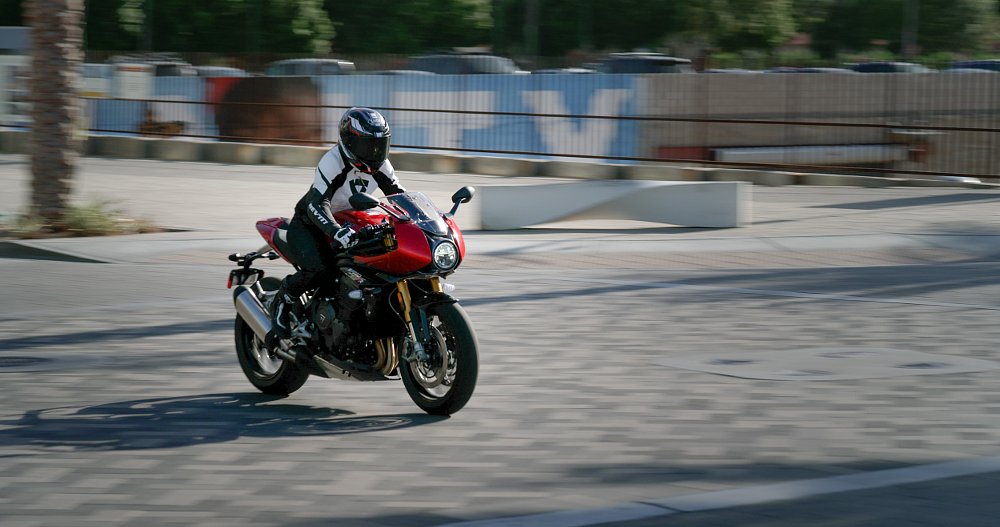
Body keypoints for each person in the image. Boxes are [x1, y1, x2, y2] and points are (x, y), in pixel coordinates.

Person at [269, 107, 406, 344]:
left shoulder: (381, 165)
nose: (374, 152)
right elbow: (317, 203)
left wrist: (424, 219)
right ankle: (283, 300)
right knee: (321, 269)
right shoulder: (333, 161)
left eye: (379, 145)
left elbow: (400, 197)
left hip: (350, 223)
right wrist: (335, 231)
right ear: (349, 142)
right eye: (367, 146)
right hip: (311, 224)